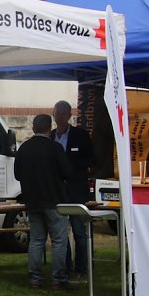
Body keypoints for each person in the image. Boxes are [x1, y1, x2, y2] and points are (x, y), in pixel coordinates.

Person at [16, 114, 74, 289]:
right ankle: (58, 279)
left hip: (33, 201)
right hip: (54, 200)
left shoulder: (24, 148)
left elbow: (17, 174)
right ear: (50, 129)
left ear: (33, 128)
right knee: (59, 240)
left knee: (36, 240)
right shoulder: (54, 148)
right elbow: (67, 172)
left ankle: (35, 278)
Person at [50, 100, 95, 282]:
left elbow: (91, 158)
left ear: (69, 115)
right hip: (59, 191)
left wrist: (70, 166)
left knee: (79, 231)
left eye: (62, 113)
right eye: (56, 113)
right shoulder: (51, 136)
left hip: (76, 190)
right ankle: (66, 266)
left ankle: (82, 268)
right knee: (61, 232)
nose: (59, 117)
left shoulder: (80, 135)